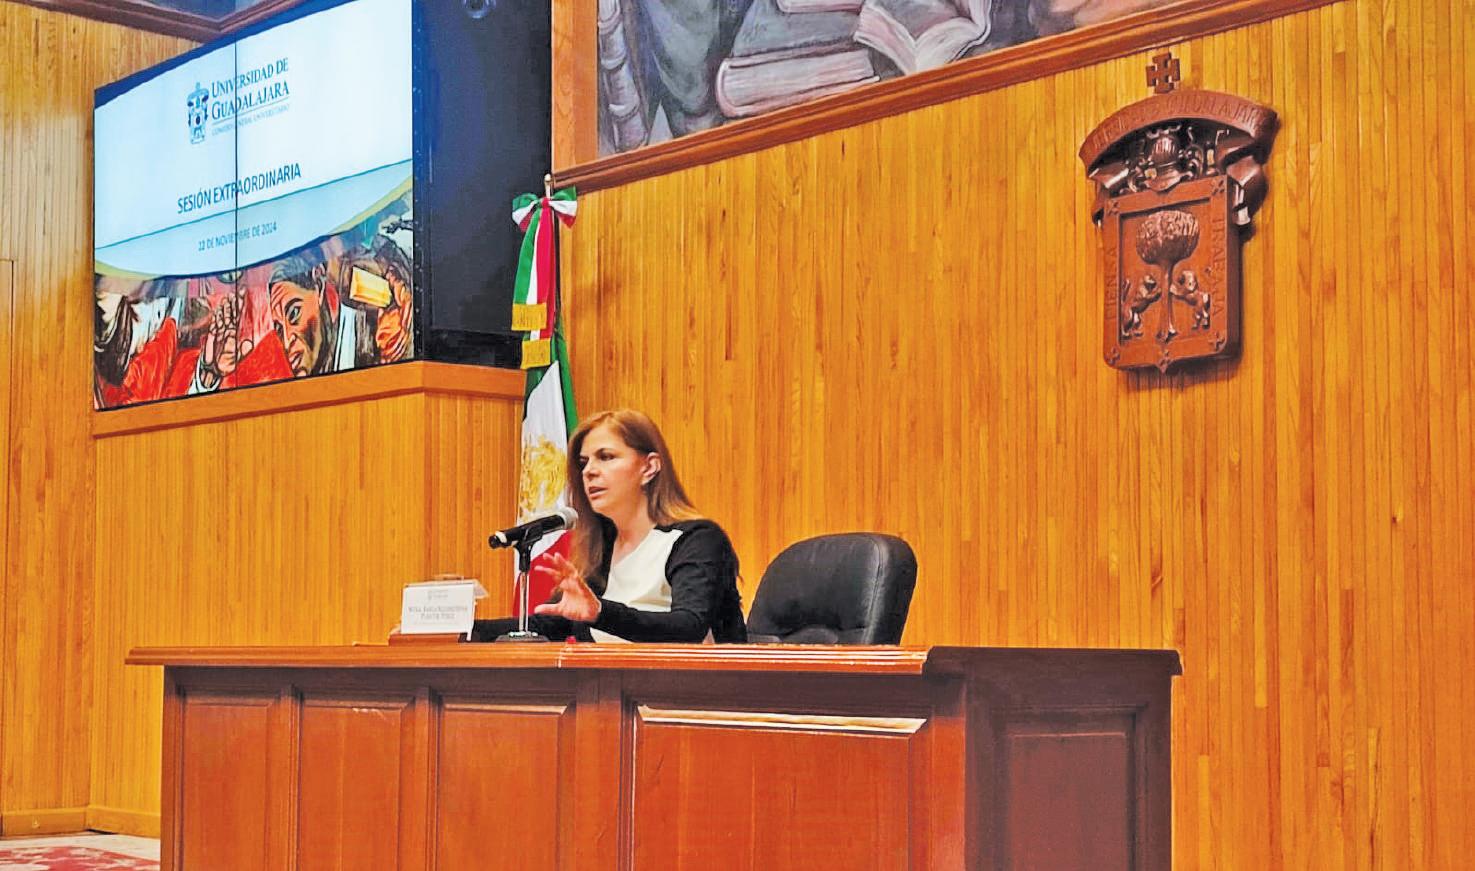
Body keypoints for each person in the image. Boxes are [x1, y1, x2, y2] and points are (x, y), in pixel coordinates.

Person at [473, 409, 747, 643]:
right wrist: (464, 629)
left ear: (649, 467)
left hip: (693, 688)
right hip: (610, 688)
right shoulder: (601, 547)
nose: (589, 471)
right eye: (584, 462)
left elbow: (689, 626)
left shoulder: (696, 540)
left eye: (606, 457)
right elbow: (552, 624)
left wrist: (601, 613)